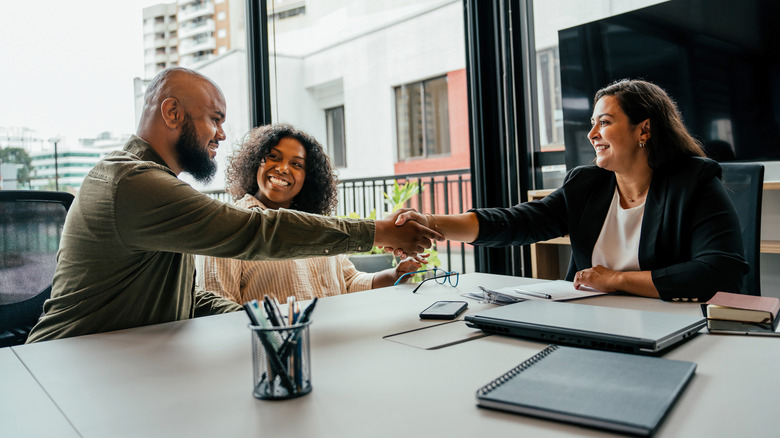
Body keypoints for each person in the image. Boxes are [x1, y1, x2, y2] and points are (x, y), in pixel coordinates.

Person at [26, 67, 439, 343]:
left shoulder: (153, 186)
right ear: (172, 112)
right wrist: (380, 231)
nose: (222, 135)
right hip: (63, 363)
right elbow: (252, 231)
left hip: (120, 359)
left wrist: (260, 321)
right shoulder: (133, 181)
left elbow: (191, 296)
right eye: (215, 118)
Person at [395, 79, 748, 301]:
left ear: (645, 130)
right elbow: (520, 221)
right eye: (592, 123)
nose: (592, 134)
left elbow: (720, 269)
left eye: (605, 123)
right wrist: (430, 222)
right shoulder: (586, 183)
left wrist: (618, 280)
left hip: (669, 325)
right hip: (590, 320)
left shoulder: (695, 181)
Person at [198, 124, 427, 303]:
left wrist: (396, 274)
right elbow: (218, 304)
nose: (283, 168)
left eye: (297, 164)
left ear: (308, 178)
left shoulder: (319, 226)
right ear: (255, 162)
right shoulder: (229, 227)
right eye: (274, 157)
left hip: (334, 346)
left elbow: (349, 281)